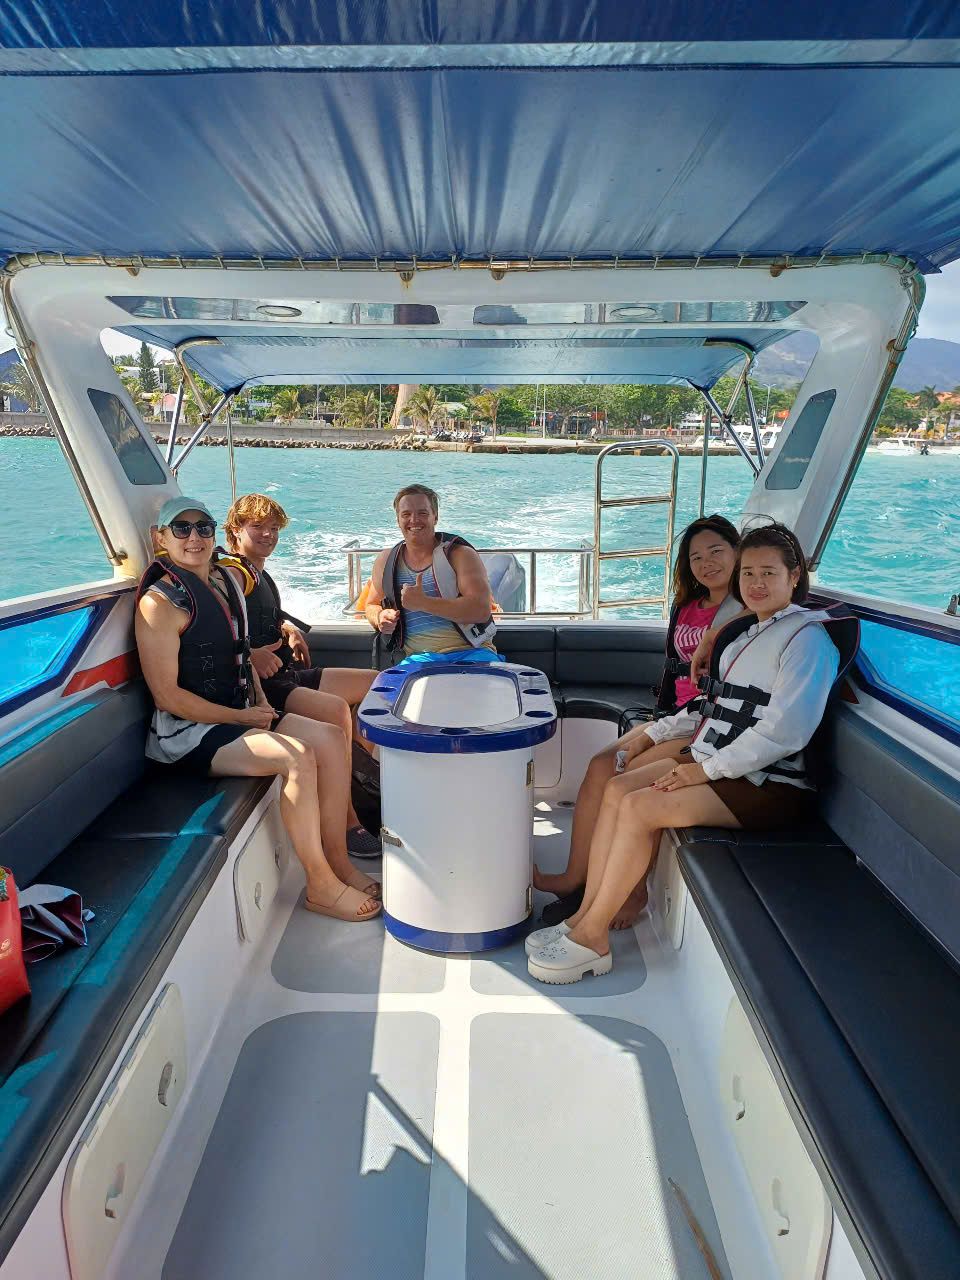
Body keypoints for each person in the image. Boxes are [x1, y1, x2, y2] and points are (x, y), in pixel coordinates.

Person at [526, 522, 857, 984]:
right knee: (618, 788)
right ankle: (583, 916)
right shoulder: (748, 634)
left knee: (640, 806)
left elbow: (787, 733)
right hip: (724, 765)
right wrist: (654, 735)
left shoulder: (808, 640)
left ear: (795, 575)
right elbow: (710, 705)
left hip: (771, 784)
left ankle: (593, 937)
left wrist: (704, 770)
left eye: (769, 573)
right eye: (748, 574)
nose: (756, 583)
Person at [134, 497, 381, 923]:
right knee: (296, 757)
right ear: (161, 538)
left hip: (240, 710)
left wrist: (261, 702)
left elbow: (240, 654)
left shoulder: (222, 583)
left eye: (203, 528)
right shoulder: (159, 604)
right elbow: (167, 698)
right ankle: (320, 884)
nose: (194, 537)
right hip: (189, 732)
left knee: (329, 736)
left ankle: (339, 862)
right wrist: (242, 717)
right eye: (181, 528)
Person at [534, 515, 742, 929]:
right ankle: (574, 877)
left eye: (717, 551)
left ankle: (634, 892)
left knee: (632, 777)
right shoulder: (688, 605)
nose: (707, 563)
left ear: (739, 552)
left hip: (706, 722)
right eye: (696, 557)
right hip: (675, 715)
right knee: (600, 765)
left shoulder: (746, 612)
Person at [222, 493, 380, 855]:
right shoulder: (234, 573)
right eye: (257, 526)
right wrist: (250, 655)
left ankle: (354, 771)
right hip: (266, 686)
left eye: (274, 528)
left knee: (377, 682)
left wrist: (288, 628)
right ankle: (348, 819)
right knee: (337, 711)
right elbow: (217, 628)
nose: (268, 534)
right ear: (235, 530)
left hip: (287, 672)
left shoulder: (257, 571)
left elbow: (259, 617)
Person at [363, 483, 502, 666]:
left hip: (472, 653)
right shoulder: (386, 561)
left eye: (422, 513)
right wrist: (380, 617)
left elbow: (481, 610)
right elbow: (371, 605)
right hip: (419, 659)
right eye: (406, 514)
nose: (414, 520)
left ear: (435, 517)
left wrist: (424, 603)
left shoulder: (460, 555)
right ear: (398, 520)